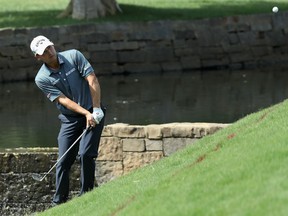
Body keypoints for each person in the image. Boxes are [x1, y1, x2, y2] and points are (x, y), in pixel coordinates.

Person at [30, 35, 106, 205]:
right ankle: (59, 203)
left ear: (52, 44)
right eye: (44, 51)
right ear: (38, 57)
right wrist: (85, 114)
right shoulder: (41, 78)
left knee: (86, 154)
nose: (49, 51)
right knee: (63, 160)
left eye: (49, 47)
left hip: (94, 110)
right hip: (70, 119)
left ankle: (87, 195)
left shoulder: (74, 56)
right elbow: (63, 100)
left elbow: (92, 79)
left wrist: (96, 109)